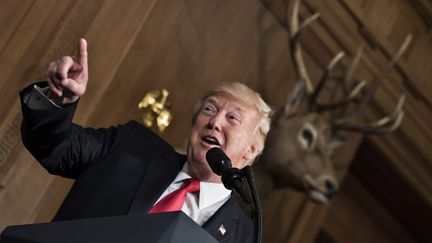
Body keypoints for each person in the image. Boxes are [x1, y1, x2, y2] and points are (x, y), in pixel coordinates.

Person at [20, 38, 272, 242]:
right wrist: (58, 100)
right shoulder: (132, 145)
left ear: (252, 149)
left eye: (233, 118)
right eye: (209, 109)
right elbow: (55, 148)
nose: (215, 122)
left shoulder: (243, 236)